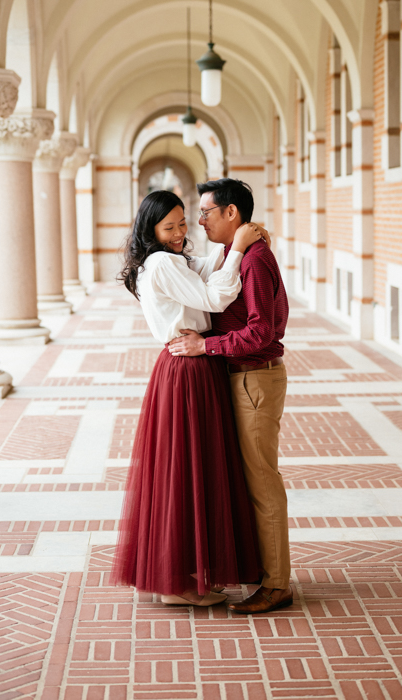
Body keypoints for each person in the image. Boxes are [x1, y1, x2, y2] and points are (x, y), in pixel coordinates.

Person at [110, 190, 263, 607]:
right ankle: (178, 584)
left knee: (188, 471)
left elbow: (206, 268)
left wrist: (237, 241)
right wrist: (240, 251)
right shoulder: (161, 262)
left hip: (190, 365)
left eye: (183, 223)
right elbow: (215, 297)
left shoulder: (170, 259)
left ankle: (183, 574)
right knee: (188, 473)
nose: (179, 233)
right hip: (188, 367)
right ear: (151, 230)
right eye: (169, 227)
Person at [169, 178, 292, 614]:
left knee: (261, 481)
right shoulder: (231, 253)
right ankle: (263, 571)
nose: (199, 219)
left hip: (254, 379)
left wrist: (207, 346)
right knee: (245, 479)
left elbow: (262, 331)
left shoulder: (255, 260)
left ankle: (277, 584)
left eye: (205, 212)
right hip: (237, 378)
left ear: (231, 214)